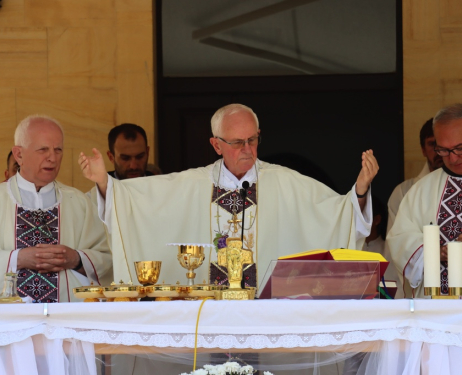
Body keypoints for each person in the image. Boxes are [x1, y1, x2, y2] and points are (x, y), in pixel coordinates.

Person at [79, 103, 379, 290]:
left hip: (267, 313)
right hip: (206, 314)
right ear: (216, 144)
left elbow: (339, 214)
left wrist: (361, 189)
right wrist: (105, 182)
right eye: (237, 142)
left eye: (253, 139)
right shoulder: (192, 183)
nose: (247, 148)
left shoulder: (286, 182)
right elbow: (138, 204)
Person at [0, 115, 112, 302]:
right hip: (8, 322)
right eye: (43, 149)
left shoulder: (79, 203)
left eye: (58, 150)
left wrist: (75, 259)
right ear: (19, 155)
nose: (52, 158)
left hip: (67, 320)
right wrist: (18, 258)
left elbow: (108, 259)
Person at [387, 103, 462, 299]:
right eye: (443, 150)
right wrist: (432, 252)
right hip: (432, 310)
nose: (453, 159)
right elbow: (399, 238)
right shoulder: (423, 188)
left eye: (460, 148)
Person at [387, 119, 443, 232]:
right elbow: (395, 243)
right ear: (423, 150)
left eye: (442, 143)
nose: (438, 150)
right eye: (432, 144)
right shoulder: (403, 192)